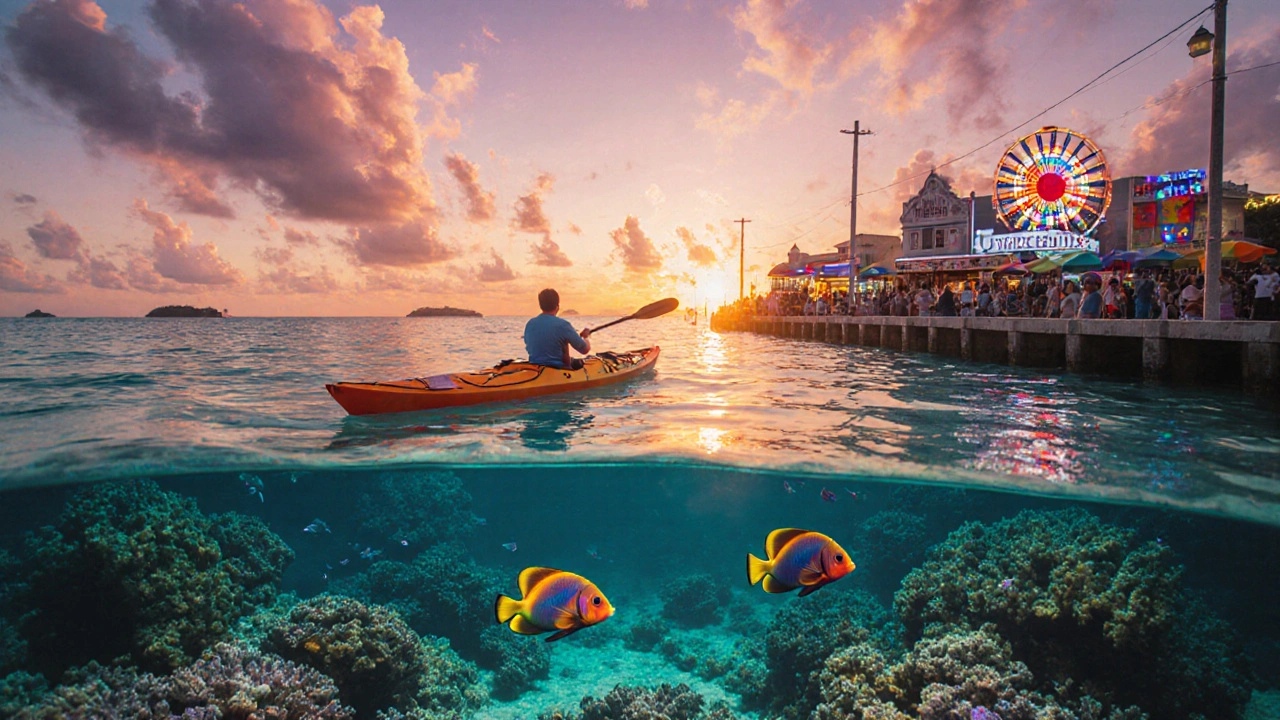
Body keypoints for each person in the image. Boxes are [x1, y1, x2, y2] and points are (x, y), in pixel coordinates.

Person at [524, 288, 591, 369]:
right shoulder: (563, 325)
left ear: (540, 306)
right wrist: (586, 337)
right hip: (558, 370)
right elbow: (584, 350)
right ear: (557, 306)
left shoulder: (530, 324)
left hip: (535, 369)